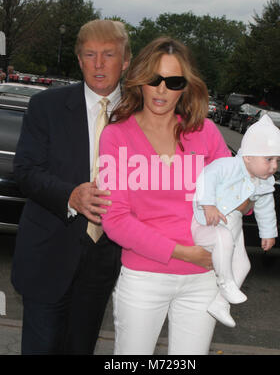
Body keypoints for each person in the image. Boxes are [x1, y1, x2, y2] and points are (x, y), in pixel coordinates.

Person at [98, 37, 232, 355]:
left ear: (185, 87)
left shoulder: (206, 133)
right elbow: (115, 220)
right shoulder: (116, 136)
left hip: (202, 280)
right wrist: (184, 253)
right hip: (144, 278)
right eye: (153, 79)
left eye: (173, 82)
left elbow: (236, 199)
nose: (161, 90)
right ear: (140, 80)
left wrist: (251, 191)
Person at [11, 19, 131, 355]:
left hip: (104, 261)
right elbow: (26, 171)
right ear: (79, 60)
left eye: (108, 54)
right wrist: (70, 195)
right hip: (47, 256)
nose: (98, 63)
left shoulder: (141, 114)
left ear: (125, 61)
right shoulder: (46, 107)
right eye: (89, 54)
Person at [191, 114, 280, 328]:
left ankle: (220, 303)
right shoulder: (228, 165)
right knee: (224, 238)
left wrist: (268, 233)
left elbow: (265, 208)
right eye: (268, 159)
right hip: (207, 223)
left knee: (243, 264)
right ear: (248, 157)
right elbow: (207, 176)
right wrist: (208, 205)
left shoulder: (264, 182)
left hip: (232, 226)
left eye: (277, 161)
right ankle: (225, 283)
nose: (273, 167)